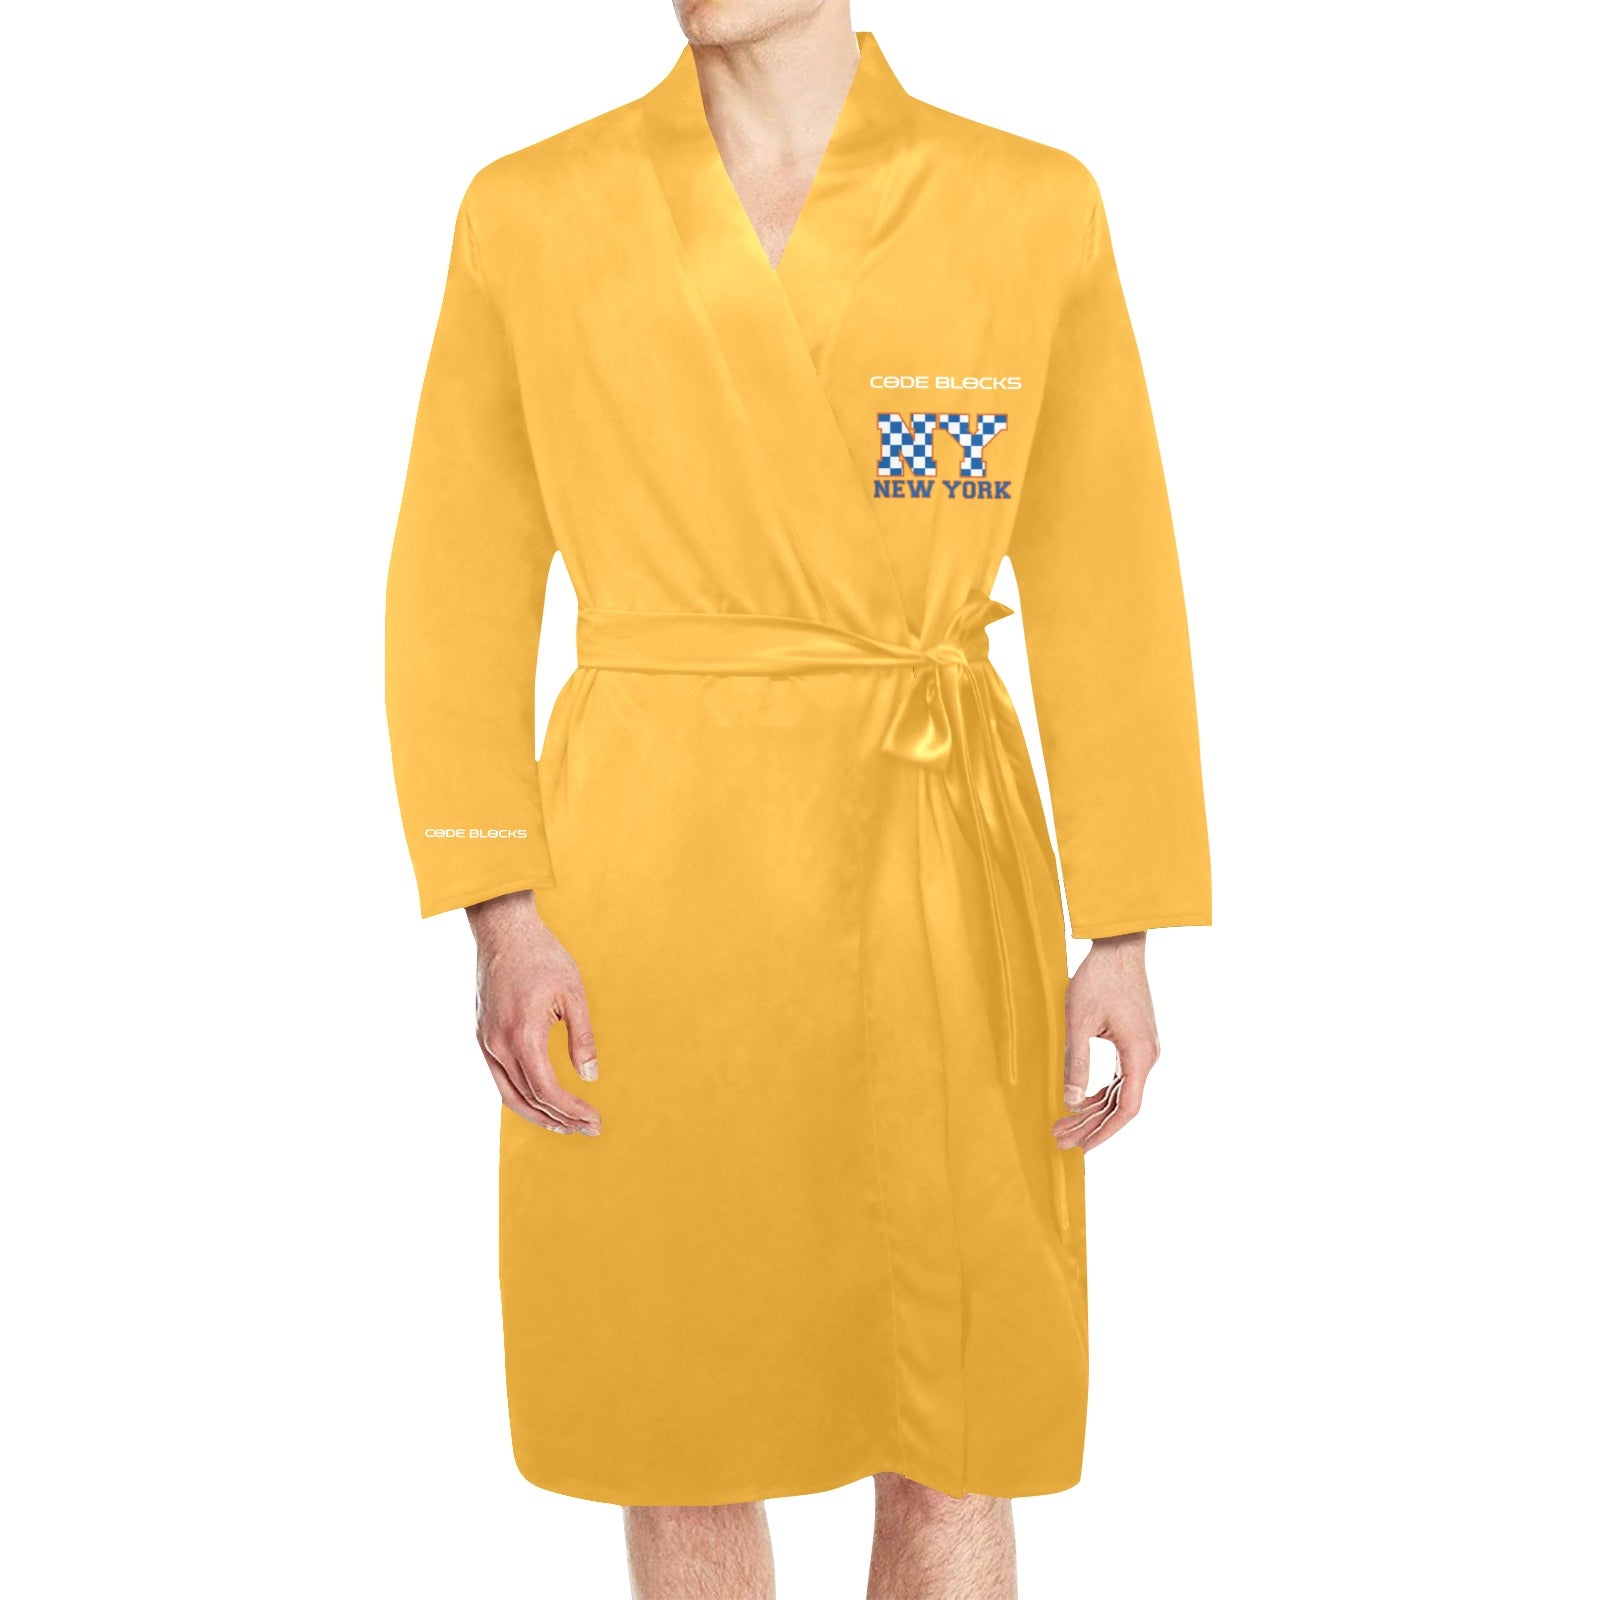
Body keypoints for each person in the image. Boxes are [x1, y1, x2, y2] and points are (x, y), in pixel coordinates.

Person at [385, 1, 1210, 1593]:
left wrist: (1125, 927)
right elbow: (454, 581)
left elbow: (1108, 572)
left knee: (955, 1413)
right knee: (679, 1415)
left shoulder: (1024, 206)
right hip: (649, 877)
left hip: (934, 866)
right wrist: (500, 913)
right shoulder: (532, 212)